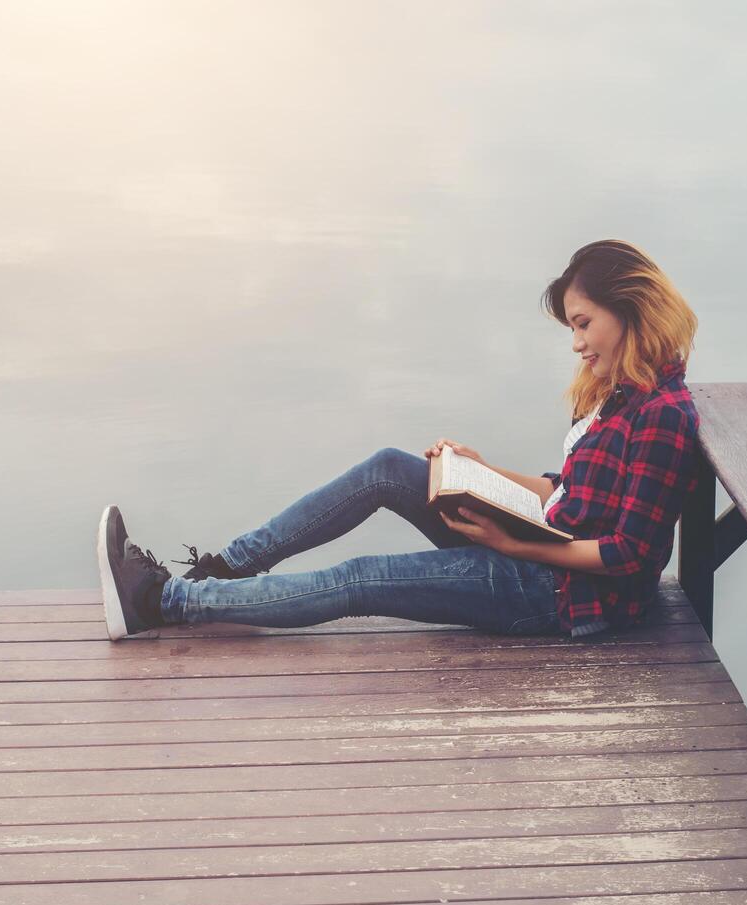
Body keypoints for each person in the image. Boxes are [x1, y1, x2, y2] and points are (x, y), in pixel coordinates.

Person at [98, 239, 702, 641]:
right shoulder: (624, 393)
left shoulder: (662, 416)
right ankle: (225, 572)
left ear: (630, 310)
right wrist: (485, 472)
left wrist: (511, 548)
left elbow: (631, 555)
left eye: (583, 324)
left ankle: (162, 602)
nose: (576, 343)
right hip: (538, 543)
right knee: (389, 467)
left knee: (363, 578)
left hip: (564, 596)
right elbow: (568, 487)